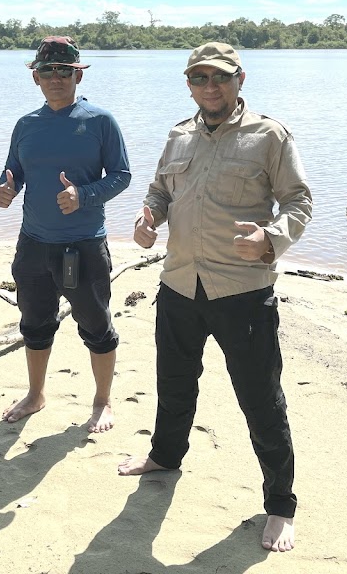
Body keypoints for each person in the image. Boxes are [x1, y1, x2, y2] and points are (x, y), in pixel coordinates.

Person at [118, 42, 312, 554]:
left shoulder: (269, 135)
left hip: (242, 292)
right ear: (189, 84)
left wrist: (271, 239)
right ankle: (165, 455)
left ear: (239, 79)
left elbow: (299, 201)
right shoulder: (179, 134)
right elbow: (160, 190)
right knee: (174, 383)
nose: (210, 86)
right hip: (179, 283)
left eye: (219, 78)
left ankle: (280, 505)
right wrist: (148, 218)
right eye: (200, 78)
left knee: (260, 398)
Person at [0, 36, 131, 433]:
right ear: (36, 78)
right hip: (33, 244)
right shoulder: (26, 125)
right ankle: (36, 394)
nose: (56, 78)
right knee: (35, 324)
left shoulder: (100, 121)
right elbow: (12, 174)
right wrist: (5, 191)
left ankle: (103, 401)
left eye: (65, 71)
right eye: (48, 71)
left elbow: (122, 176)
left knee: (97, 327)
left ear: (78, 74)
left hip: (84, 244)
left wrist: (84, 195)